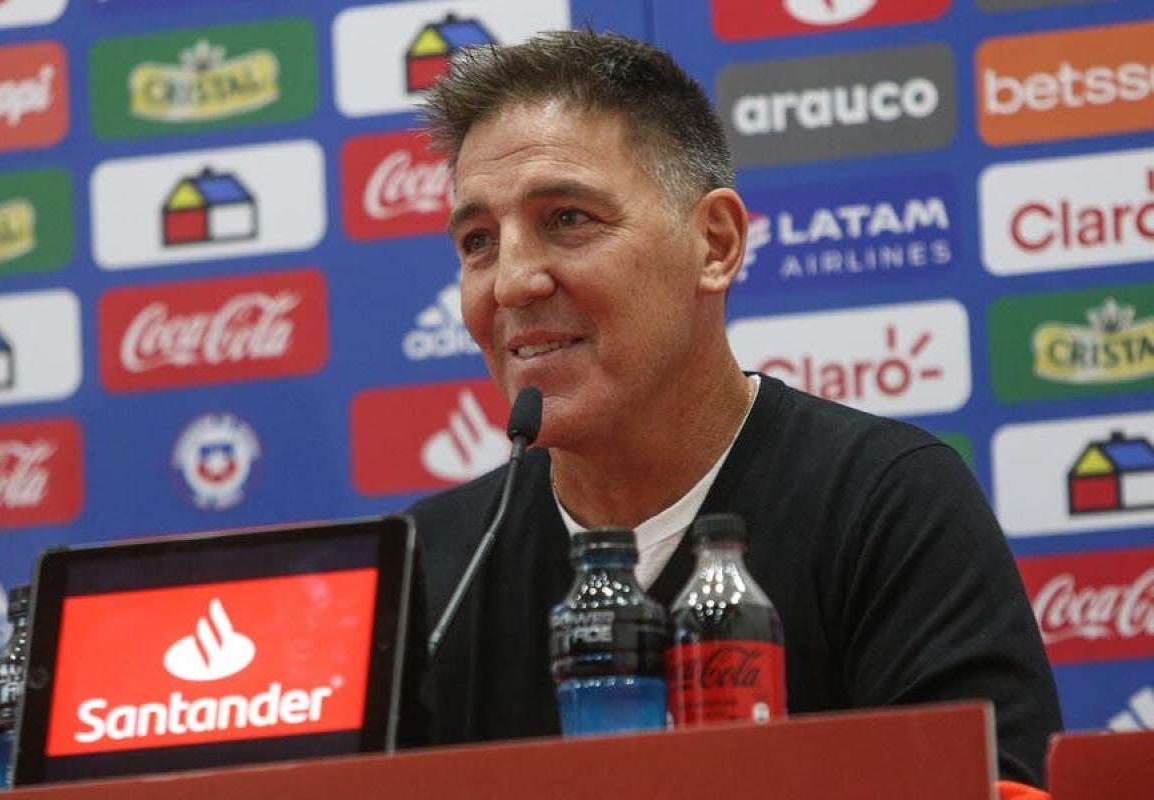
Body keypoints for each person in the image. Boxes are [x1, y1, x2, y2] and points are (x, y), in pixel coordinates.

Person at [408, 29, 1062, 788]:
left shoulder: (889, 503)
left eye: (567, 220)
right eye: (479, 241)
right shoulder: (430, 567)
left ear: (715, 245)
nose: (512, 282)